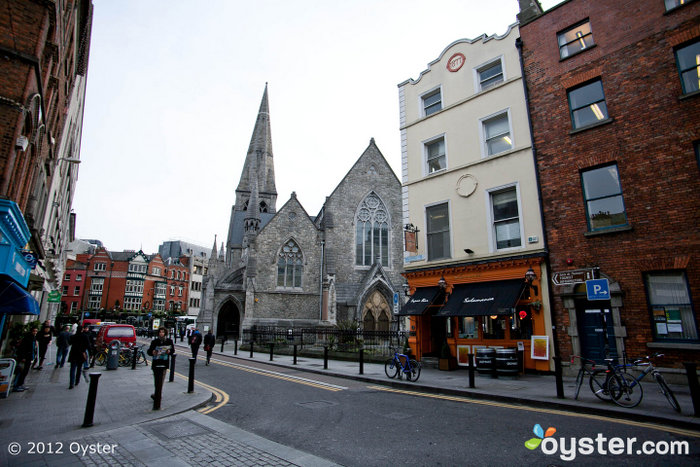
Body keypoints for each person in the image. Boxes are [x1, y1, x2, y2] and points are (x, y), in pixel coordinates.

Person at [147, 327, 174, 400]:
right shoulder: (154, 341)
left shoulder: (169, 341)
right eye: (160, 332)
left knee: (161, 379)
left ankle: (158, 394)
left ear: (165, 333)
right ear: (158, 333)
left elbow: (172, 351)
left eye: (163, 332)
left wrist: (169, 352)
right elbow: (149, 351)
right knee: (156, 379)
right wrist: (152, 352)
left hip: (164, 363)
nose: (161, 333)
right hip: (156, 362)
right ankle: (157, 393)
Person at [12, 327, 38, 392]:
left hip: (29, 357)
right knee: (20, 371)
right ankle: (16, 385)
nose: (35, 332)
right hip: (25, 357)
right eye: (34, 331)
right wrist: (23, 357)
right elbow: (23, 348)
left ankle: (20, 384)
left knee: (25, 372)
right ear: (31, 331)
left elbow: (33, 348)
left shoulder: (33, 338)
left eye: (36, 331)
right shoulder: (27, 338)